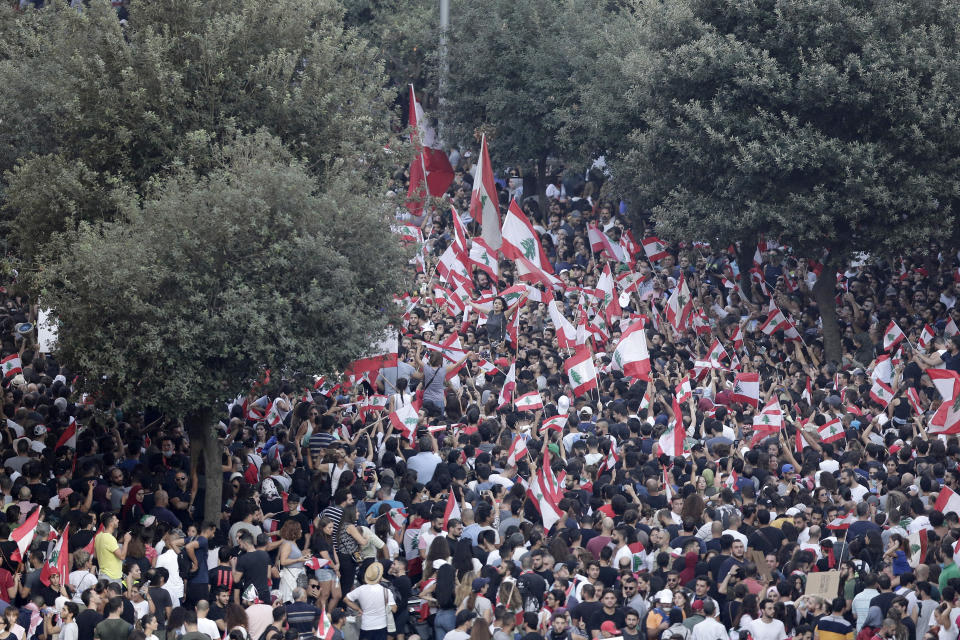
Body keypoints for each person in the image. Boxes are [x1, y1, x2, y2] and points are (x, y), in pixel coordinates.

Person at [343, 563, 397, 640]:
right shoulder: (386, 591)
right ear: (380, 577)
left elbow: (346, 599)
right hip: (381, 626)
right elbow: (394, 609)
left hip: (366, 626)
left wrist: (358, 609)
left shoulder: (360, 589)